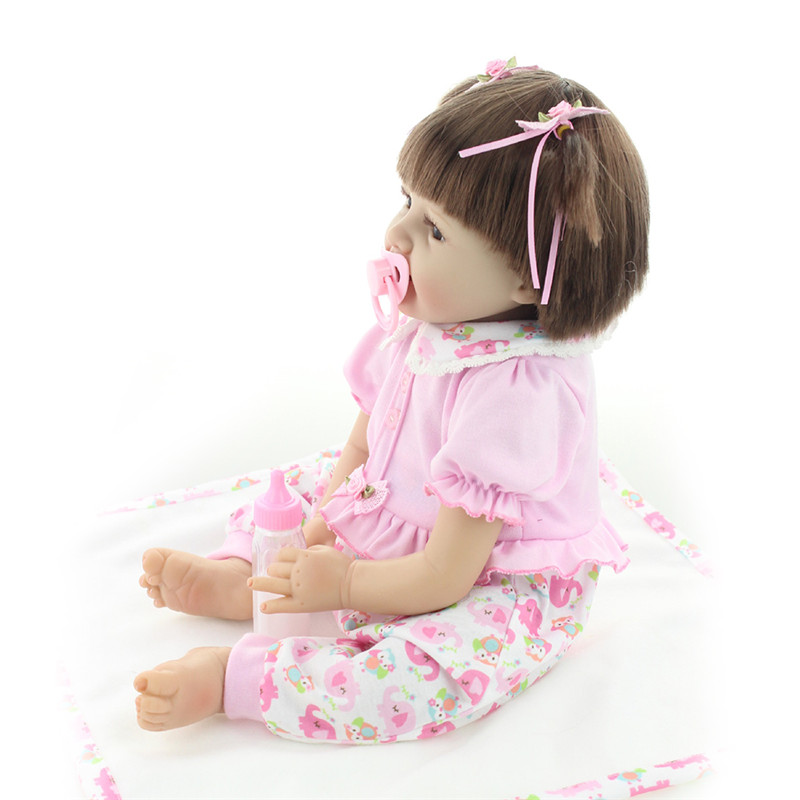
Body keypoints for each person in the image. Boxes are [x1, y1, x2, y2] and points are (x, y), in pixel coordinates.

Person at [134, 59, 650, 742]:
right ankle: (248, 577)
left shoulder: (518, 396)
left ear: (528, 280)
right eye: (407, 200)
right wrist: (315, 532)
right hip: (408, 512)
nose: (396, 236)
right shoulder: (432, 322)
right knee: (299, 484)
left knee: (422, 679)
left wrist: (343, 583)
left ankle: (244, 680)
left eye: (434, 230)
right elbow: (363, 442)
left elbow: (446, 576)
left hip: (487, 572)